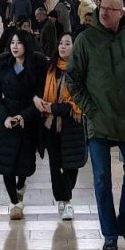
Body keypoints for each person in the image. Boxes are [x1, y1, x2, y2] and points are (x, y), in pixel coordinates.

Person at [67, 0, 125, 250]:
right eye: (102, 8)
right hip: (99, 121)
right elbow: (73, 80)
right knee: (102, 179)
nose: (103, 13)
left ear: (121, 14)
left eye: (110, 10)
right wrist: (89, 109)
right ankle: (110, 234)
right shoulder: (85, 40)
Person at [0, 31, 44, 219]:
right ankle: (14, 202)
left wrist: (24, 116)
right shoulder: (3, 66)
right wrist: (4, 116)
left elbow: (39, 97)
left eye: (19, 43)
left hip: (27, 122)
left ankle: (21, 185)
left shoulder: (36, 68)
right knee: (6, 165)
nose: (15, 46)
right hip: (6, 123)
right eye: (12, 42)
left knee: (23, 165)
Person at [34, 32, 87, 220]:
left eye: (67, 43)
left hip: (72, 124)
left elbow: (80, 100)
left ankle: (65, 197)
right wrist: (38, 101)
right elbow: (38, 89)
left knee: (72, 165)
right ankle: (65, 201)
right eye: (61, 43)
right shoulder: (49, 68)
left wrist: (56, 107)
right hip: (50, 124)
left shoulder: (79, 69)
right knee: (55, 165)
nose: (63, 47)